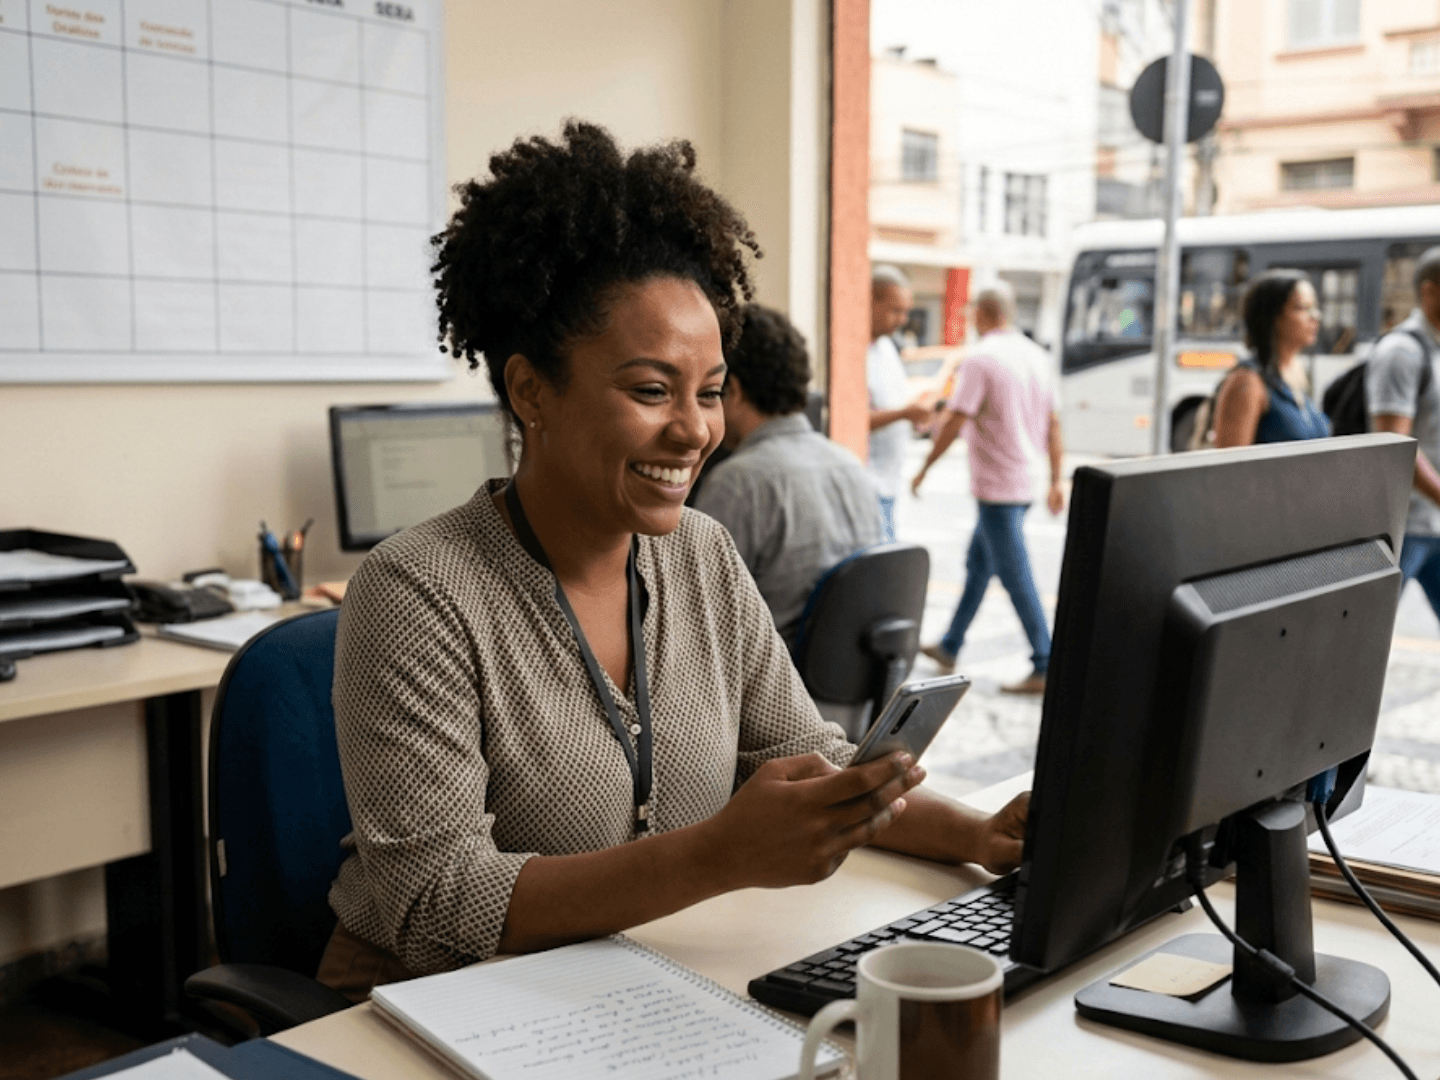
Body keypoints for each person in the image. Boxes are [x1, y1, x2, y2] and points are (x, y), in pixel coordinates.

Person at [319, 122, 1029, 1000]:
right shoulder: (420, 590)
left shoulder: (700, 554)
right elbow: (434, 900)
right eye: (651, 390)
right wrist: (718, 855)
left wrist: (977, 833)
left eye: (709, 391)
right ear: (530, 391)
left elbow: (809, 757)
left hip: (637, 986)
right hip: (435, 1009)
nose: (695, 431)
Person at [694, 304, 883, 651]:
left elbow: (695, 623)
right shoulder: (851, 466)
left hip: (769, 696)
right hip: (852, 699)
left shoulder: (738, 482)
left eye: (707, 392)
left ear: (731, 390)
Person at [910, 284, 1063, 696]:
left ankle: (1045, 661)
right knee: (979, 564)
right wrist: (1054, 479)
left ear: (981, 313)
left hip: (998, 487)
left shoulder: (980, 359)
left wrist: (924, 466)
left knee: (1015, 575)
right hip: (1024, 481)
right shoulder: (1036, 356)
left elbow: (958, 418)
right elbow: (1053, 422)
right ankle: (950, 644)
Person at [1368, 246, 1440, 624]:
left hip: (1434, 523)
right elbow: (1398, 446)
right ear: (1429, 291)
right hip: (1403, 526)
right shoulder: (1402, 352)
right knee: (1366, 634)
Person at [1211, 270, 1328, 447]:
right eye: (1302, 308)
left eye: (1315, 308)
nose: (1316, 317)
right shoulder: (1247, 382)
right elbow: (1228, 468)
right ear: (1273, 317)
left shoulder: (1295, 372)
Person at [868, 265, 931, 540]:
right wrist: (904, 414)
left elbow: (894, 406)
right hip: (867, 486)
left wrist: (915, 415)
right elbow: (852, 418)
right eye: (896, 310)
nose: (902, 320)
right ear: (870, 301)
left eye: (906, 311)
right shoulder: (856, 351)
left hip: (889, 483)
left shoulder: (886, 349)